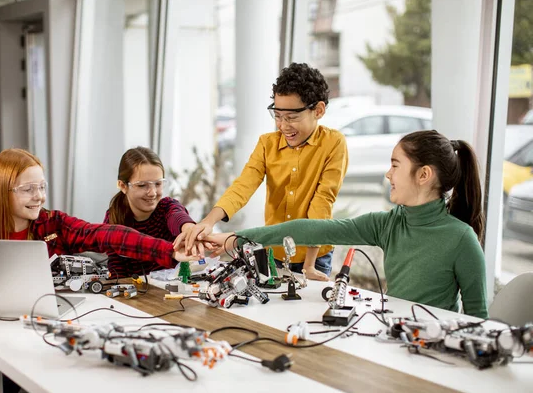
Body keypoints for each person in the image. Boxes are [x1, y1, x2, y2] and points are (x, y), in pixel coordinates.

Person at [0, 148, 198, 393]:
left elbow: (109, 234)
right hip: (5, 344)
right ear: (2, 191)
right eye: (28, 189)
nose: (39, 197)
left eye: (42, 187)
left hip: (50, 338)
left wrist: (170, 252)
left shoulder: (53, 224)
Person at [206, 130, 488, 319]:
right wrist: (236, 238)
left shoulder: (462, 239)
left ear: (424, 174)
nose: (388, 174)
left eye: (395, 165)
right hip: (394, 339)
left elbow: (479, 321)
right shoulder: (389, 224)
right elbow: (311, 229)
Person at [175, 62, 349, 281]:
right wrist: (208, 222)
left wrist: (309, 265)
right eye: (277, 116)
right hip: (273, 251)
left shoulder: (334, 144)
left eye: (292, 117)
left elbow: (322, 202)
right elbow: (243, 187)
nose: (283, 126)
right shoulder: (267, 144)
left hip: (314, 255)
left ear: (318, 110)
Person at [104, 147, 198, 278]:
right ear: (123, 186)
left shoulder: (166, 207)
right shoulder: (113, 218)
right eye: (142, 185)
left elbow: (177, 216)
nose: (153, 193)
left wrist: (188, 228)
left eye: (158, 184)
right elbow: (116, 268)